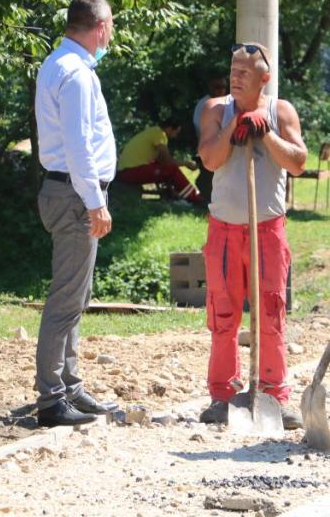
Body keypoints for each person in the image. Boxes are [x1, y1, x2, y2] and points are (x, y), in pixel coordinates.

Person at [197, 43, 308, 429]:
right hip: (225, 230)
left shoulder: (281, 111)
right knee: (223, 314)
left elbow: (297, 163)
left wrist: (265, 134)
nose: (236, 76)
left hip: (268, 230)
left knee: (270, 312)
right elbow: (210, 159)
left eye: (245, 71)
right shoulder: (216, 110)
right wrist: (235, 127)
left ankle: (274, 394)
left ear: (265, 78)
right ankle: (223, 395)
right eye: (233, 69)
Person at [33, 0, 120, 427]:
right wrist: (96, 203)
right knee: (67, 298)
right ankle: (51, 399)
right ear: (100, 27)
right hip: (74, 195)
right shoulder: (78, 75)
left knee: (76, 294)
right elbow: (79, 147)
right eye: (111, 28)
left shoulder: (56, 63)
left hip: (64, 191)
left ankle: (70, 384)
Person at [116, 118, 204, 204]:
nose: (176, 135)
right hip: (130, 172)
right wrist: (186, 164)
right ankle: (195, 198)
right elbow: (168, 161)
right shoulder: (159, 134)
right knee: (172, 169)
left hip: (125, 172)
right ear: (169, 128)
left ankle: (174, 194)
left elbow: (162, 161)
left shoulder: (153, 132)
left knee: (163, 168)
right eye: (176, 132)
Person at [192, 76, 228, 202]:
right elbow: (203, 131)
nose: (221, 90)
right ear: (210, 87)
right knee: (209, 179)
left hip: (221, 147)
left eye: (223, 87)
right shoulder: (205, 105)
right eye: (217, 87)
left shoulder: (225, 103)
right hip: (208, 148)